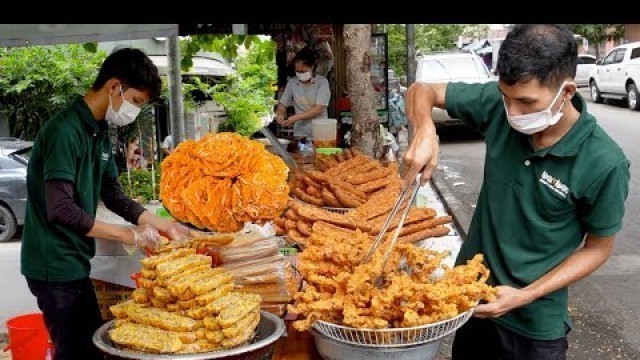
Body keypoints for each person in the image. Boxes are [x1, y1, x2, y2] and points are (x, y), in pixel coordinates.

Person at [402, 24, 630, 360]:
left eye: (526, 102)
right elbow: (422, 90)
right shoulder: (500, 107)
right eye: (506, 98)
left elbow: (598, 248)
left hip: (535, 325)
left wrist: (526, 295)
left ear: (566, 92)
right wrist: (425, 128)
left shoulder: (604, 162)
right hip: (471, 302)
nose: (513, 112)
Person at [20, 47, 189, 360]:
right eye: (136, 102)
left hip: (75, 262)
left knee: (93, 348)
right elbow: (61, 209)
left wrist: (162, 224)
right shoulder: (64, 132)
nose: (134, 111)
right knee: (74, 352)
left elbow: (112, 193)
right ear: (114, 87)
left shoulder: (98, 132)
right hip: (52, 264)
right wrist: (128, 235)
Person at [275, 46, 331, 140]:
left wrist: (296, 117)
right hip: (300, 133)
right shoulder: (292, 82)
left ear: (312, 67)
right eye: (297, 71)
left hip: (321, 132)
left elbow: (318, 108)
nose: (300, 74)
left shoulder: (322, 82)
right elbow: (282, 104)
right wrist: (280, 115)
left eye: (303, 71)